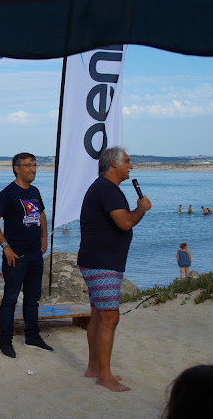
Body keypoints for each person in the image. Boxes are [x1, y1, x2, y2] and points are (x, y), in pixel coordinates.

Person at [77, 147, 152, 392]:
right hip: (102, 264)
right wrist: (142, 208)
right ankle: (104, 376)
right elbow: (125, 222)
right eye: (127, 161)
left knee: (99, 315)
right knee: (109, 317)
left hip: (98, 261)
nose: (131, 166)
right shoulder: (107, 189)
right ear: (114, 164)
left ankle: (94, 367)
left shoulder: (103, 188)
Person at [0, 152, 52, 359]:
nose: (33, 169)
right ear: (17, 168)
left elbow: (41, 214)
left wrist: (44, 238)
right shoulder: (8, 193)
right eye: (28, 165)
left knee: (33, 299)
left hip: (35, 254)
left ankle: (32, 336)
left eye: (35, 165)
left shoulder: (34, 191)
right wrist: (6, 247)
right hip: (16, 256)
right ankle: (5, 341)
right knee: (10, 300)